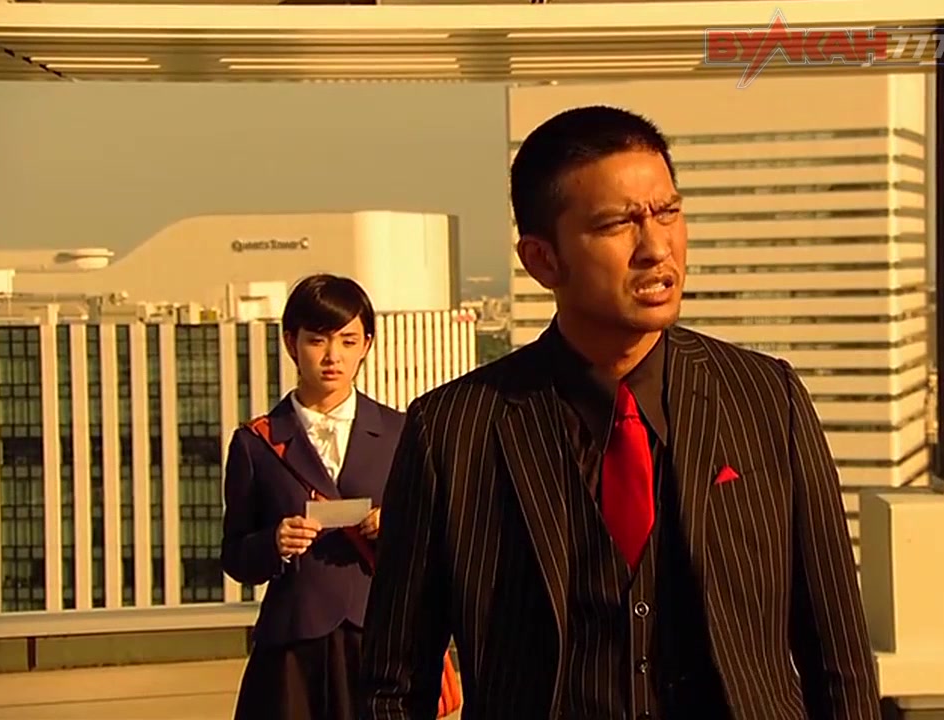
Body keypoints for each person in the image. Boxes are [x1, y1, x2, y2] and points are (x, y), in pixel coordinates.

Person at [359, 106, 881, 720]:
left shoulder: (766, 397)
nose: (657, 248)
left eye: (668, 213)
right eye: (618, 224)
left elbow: (837, 654)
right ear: (542, 260)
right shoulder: (453, 431)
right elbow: (394, 684)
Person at [220, 274, 460, 720]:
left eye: (348, 341)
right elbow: (235, 556)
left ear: (366, 344)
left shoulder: (403, 432)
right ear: (291, 343)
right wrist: (274, 542)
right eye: (317, 340)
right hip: (292, 648)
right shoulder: (257, 443)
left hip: (382, 641)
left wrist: (396, 526)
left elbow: (443, 541)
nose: (333, 356)